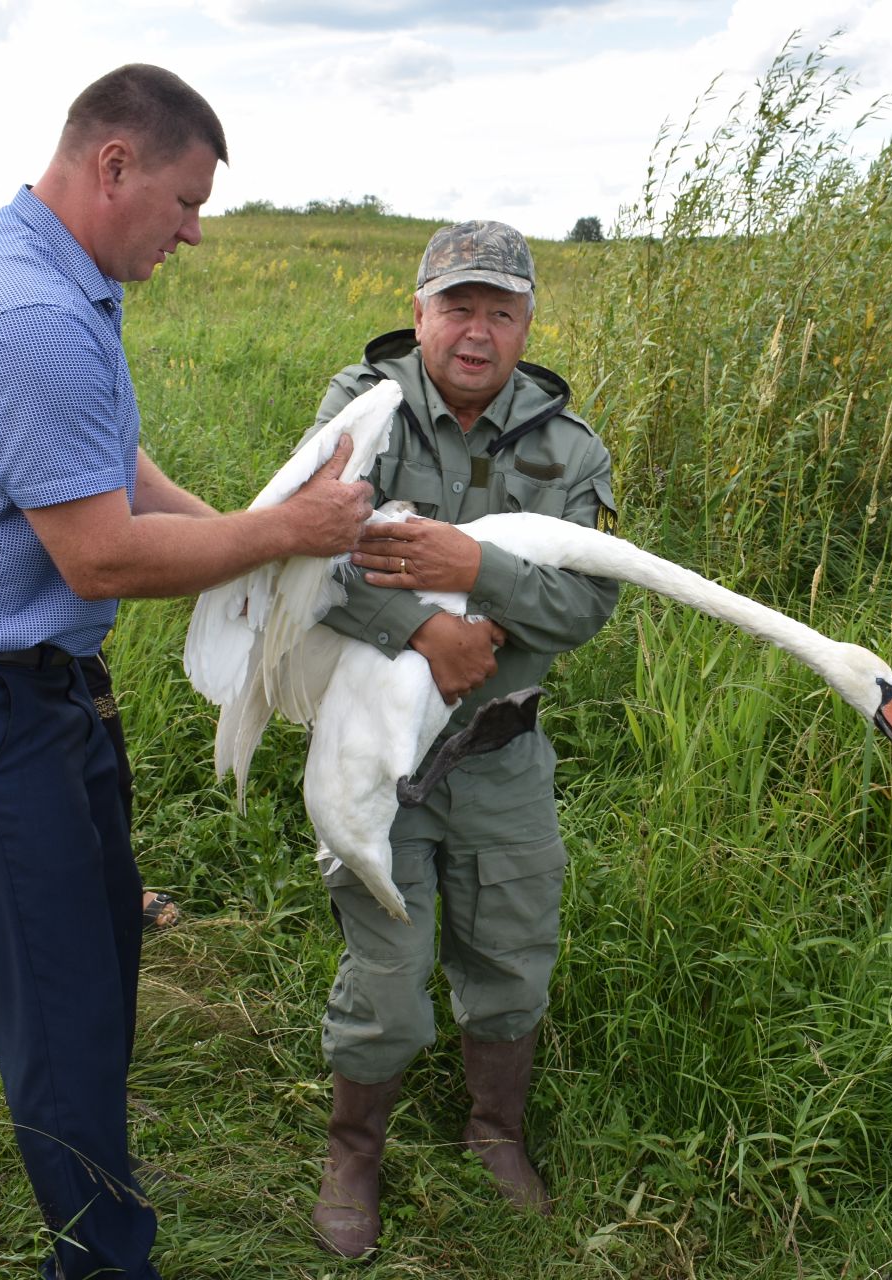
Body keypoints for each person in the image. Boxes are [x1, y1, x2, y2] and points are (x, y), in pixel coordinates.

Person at [0, 65, 372, 1280]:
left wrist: (243, 553)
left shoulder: (63, 277)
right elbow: (97, 557)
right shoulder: (32, 313)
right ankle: (100, 1259)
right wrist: (287, 533)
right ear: (115, 167)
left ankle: (94, 1193)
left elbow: (115, 466)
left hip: (37, 690)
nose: (194, 231)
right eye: (187, 200)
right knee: (62, 1002)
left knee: (99, 950)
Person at [303, 220, 620, 1256]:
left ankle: (496, 1130)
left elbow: (582, 610)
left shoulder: (569, 451)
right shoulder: (365, 414)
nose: (477, 331)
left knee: (512, 958)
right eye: (458, 306)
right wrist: (428, 631)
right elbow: (313, 563)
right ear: (420, 308)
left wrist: (472, 569)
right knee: (387, 981)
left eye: (501, 309)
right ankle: (354, 1150)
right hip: (379, 759)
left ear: (528, 320)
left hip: (501, 755)